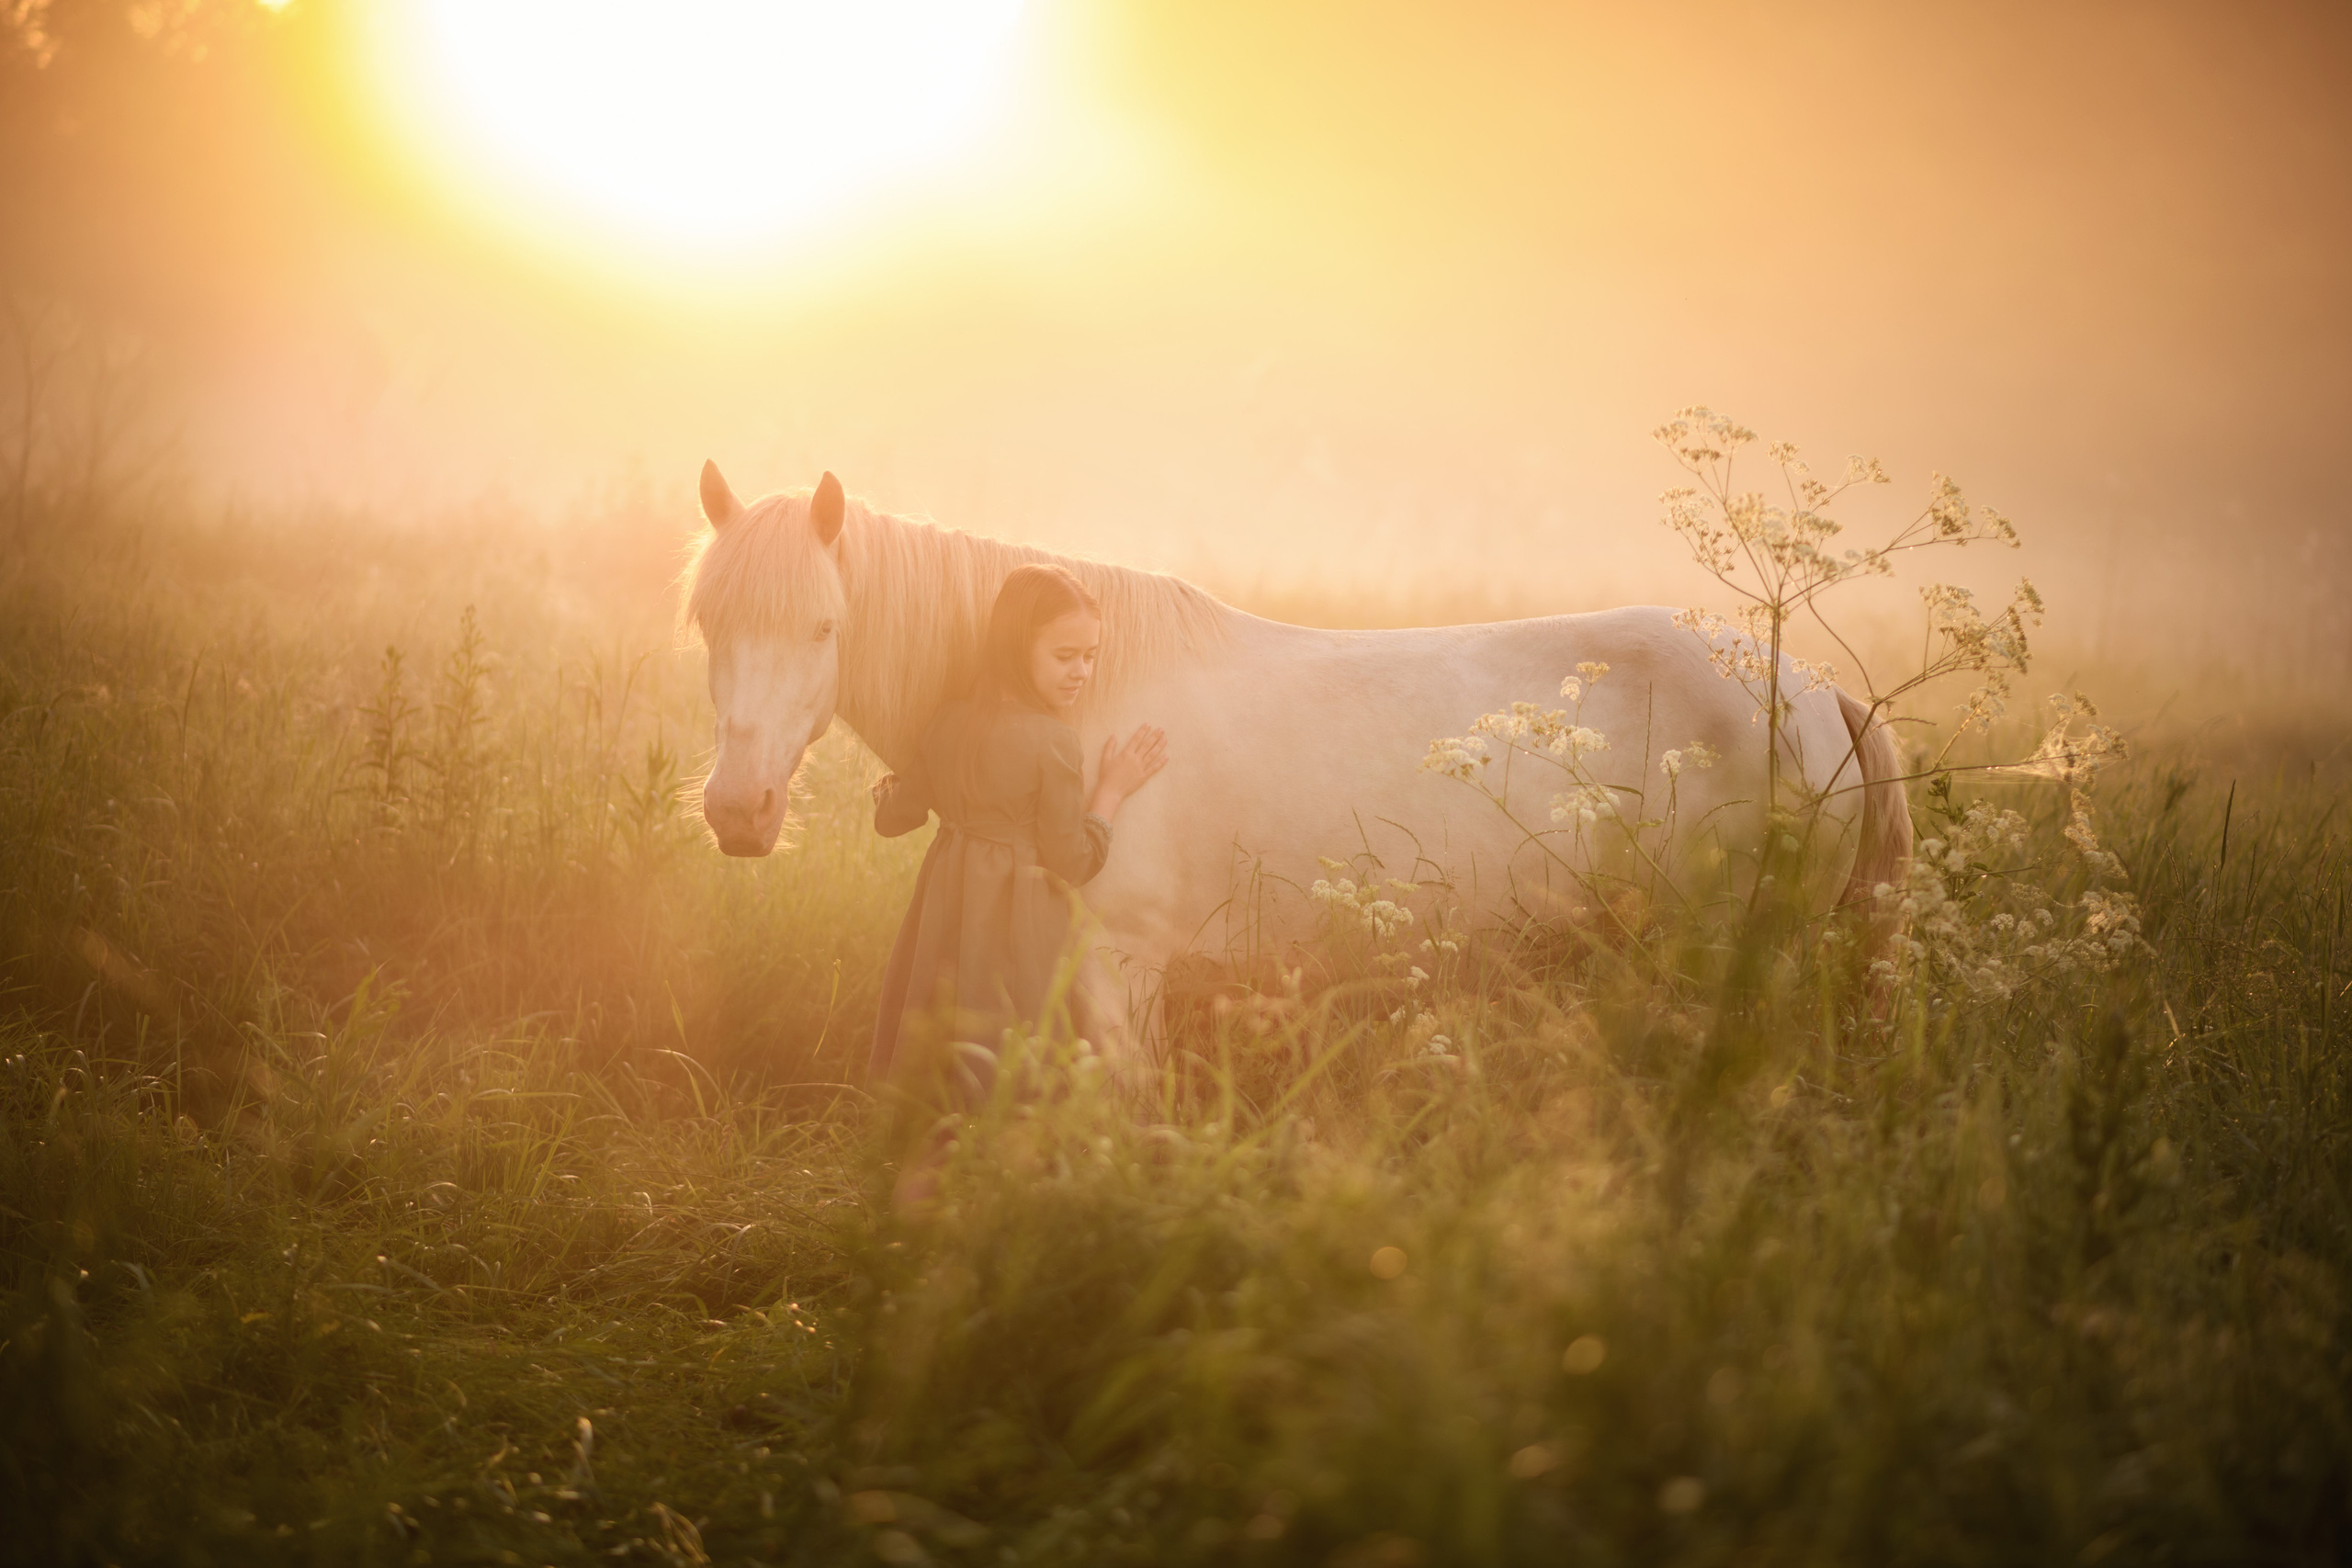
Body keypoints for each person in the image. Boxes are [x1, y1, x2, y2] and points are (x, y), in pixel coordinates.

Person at [868, 562, 1169, 1100]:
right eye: (1064, 656)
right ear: (1015, 647)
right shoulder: (1054, 742)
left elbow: (894, 819)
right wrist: (1113, 790)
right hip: (1015, 923)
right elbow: (1071, 862)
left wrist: (889, 786)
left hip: (943, 913)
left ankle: (926, 1136)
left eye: (1090, 656)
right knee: (1010, 1037)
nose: (1081, 672)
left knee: (940, 1022)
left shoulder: (946, 723)